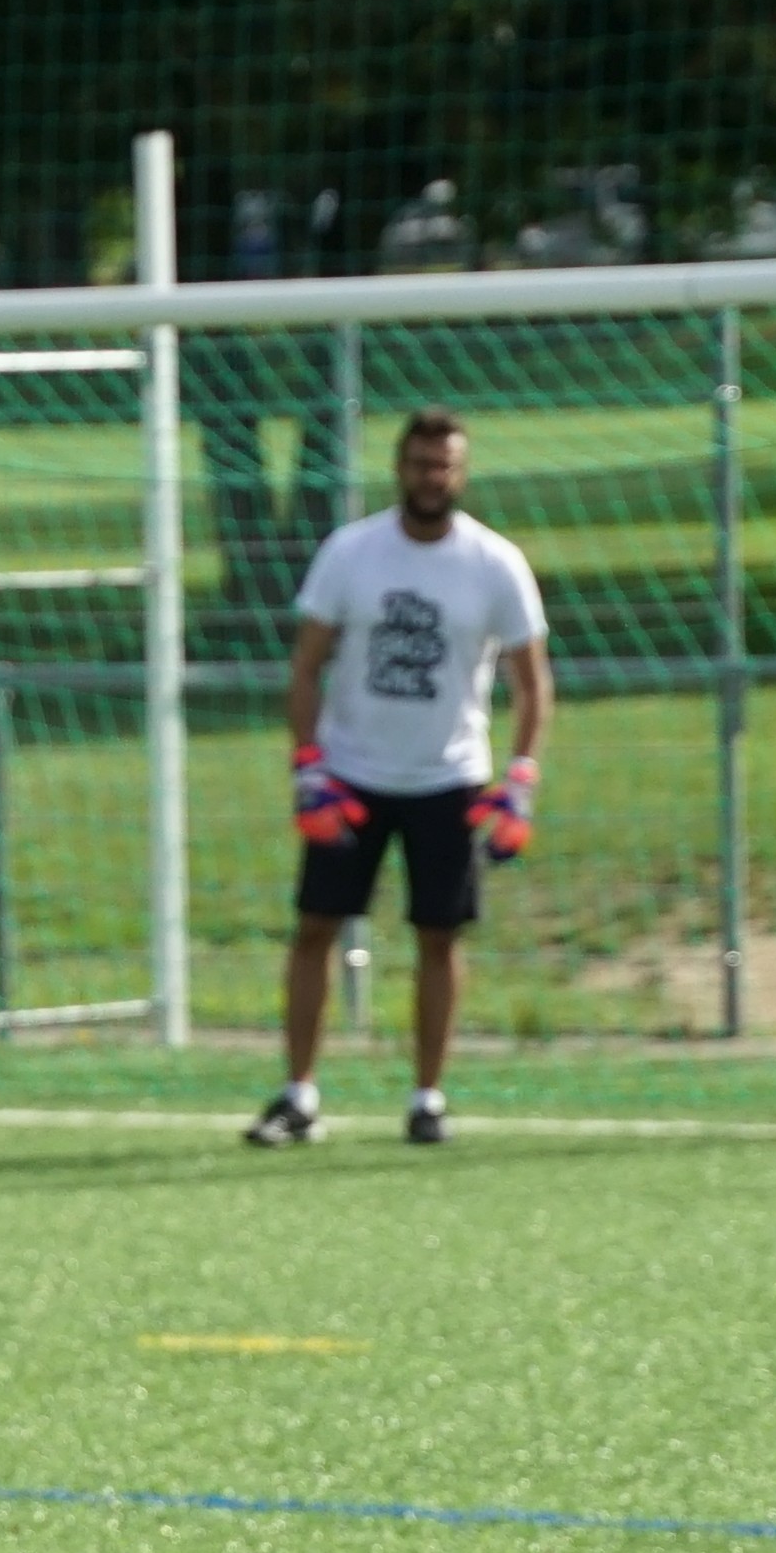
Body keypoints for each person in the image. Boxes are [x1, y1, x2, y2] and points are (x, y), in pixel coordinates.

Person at [243, 407, 553, 1150]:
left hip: (449, 776)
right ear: (398, 467)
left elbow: (532, 681)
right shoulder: (351, 552)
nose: (431, 477)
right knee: (316, 927)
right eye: (420, 463)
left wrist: (520, 779)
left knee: (439, 936)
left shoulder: (494, 562)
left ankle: (427, 1097)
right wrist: (308, 765)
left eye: (444, 465)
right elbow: (305, 666)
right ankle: (299, 1094)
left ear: (462, 472)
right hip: (351, 774)